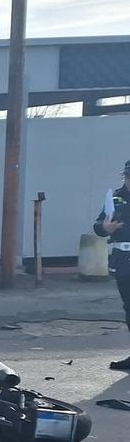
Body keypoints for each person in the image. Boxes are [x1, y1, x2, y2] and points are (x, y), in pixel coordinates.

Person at [93, 159, 130, 370]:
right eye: (128, 177)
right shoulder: (115, 197)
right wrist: (105, 228)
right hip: (123, 260)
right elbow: (98, 225)